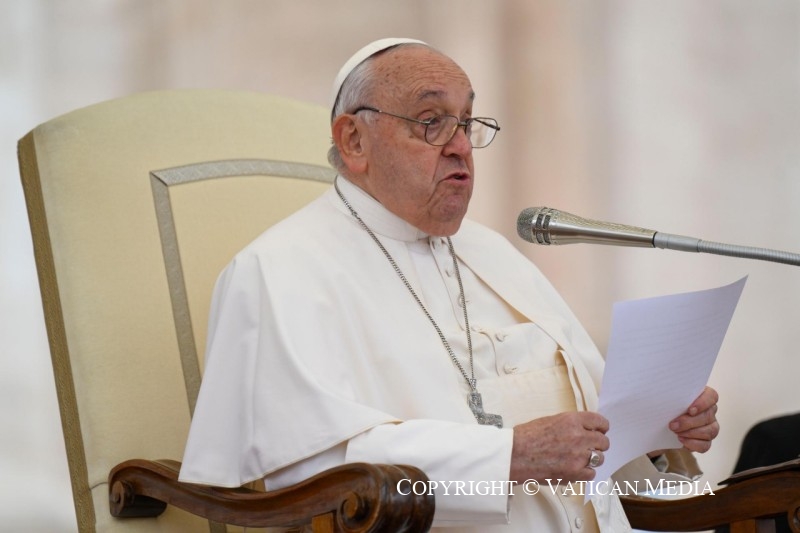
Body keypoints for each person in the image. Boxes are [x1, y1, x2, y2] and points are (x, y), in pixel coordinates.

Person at [179, 38, 720, 532]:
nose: (461, 145)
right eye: (432, 121)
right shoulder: (278, 271)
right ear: (353, 140)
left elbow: (595, 431)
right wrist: (506, 456)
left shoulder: (490, 252)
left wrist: (659, 423)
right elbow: (308, 471)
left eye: (467, 121)